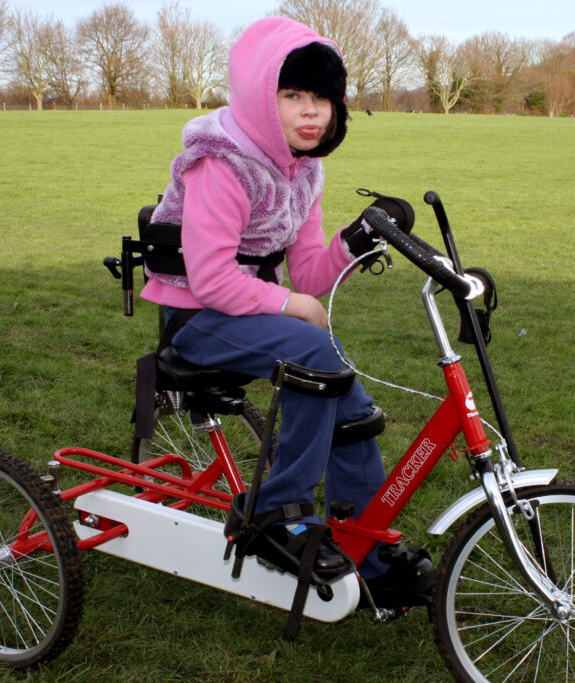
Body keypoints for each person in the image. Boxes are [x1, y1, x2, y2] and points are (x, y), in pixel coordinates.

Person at [139, 16, 432, 611]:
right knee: (315, 351)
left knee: (352, 407)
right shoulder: (222, 164)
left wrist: (357, 238)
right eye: (293, 94)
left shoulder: (303, 170)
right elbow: (211, 279)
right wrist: (292, 304)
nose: (311, 111)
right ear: (259, 95)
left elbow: (311, 274)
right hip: (196, 320)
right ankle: (274, 512)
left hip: (247, 316)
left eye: (322, 97)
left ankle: (367, 556)